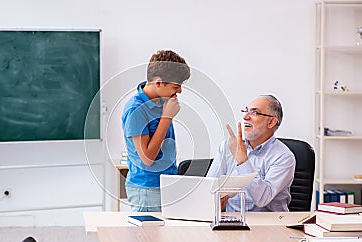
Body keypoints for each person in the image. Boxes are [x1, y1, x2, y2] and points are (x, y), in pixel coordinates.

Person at [122, 50, 191, 212]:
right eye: (176, 86)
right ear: (158, 83)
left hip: (166, 183)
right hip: (147, 189)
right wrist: (166, 118)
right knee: (150, 238)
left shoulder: (162, 101)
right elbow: (147, 158)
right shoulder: (135, 109)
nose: (179, 91)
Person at [207, 95, 295, 212]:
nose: (245, 117)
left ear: (271, 122)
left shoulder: (284, 157)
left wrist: (243, 162)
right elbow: (208, 188)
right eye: (245, 111)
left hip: (269, 225)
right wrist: (215, 204)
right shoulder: (228, 146)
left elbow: (263, 198)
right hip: (230, 221)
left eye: (254, 113)